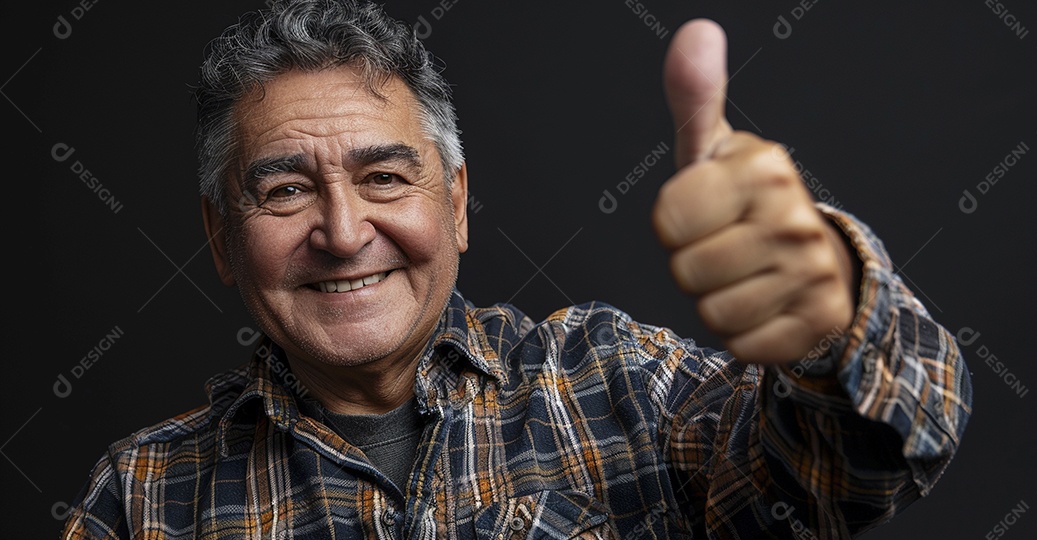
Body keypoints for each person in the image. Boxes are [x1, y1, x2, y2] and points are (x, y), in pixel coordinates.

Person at [61, 1, 972, 538]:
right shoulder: (140, 500)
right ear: (223, 238)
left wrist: (827, 321)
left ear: (455, 203)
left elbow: (852, 469)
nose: (343, 233)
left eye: (385, 177)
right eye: (287, 191)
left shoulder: (618, 384)